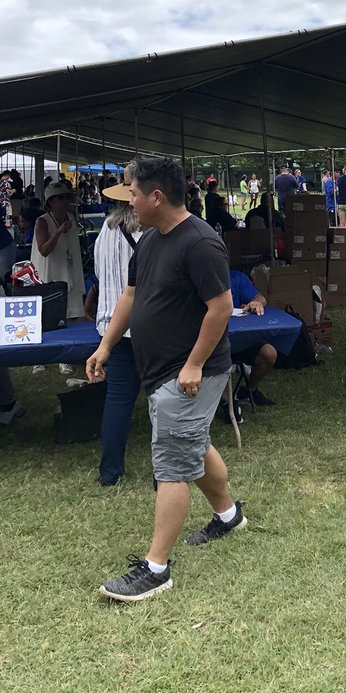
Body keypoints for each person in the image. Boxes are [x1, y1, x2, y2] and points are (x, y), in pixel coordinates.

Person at [86, 156, 244, 602]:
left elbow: (221, 307)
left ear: (156, 196)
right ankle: (229, 515)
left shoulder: (201, 243)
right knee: (191, 442)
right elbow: (131, 296)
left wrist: (193, 364)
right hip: (159, 370)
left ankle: (156, 569)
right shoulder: (151, 239)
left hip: (191, 372)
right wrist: (105, 346)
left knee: (172, 463)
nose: (129, 200)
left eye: (133, 193)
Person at [81, 164, 144, 486]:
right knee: (162, 398)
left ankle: (110, 472)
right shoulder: (147, 230)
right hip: (145, 326)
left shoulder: (106, 228)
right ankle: (167, 472)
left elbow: (99, 275)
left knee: (118, 400)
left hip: (110, 326)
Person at [30, 180, 85, 376]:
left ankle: (64, 358)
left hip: (66, 270)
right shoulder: (42, 221)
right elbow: (44, 250)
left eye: (66, 197)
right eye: (60, 197)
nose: (65, 201)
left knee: (67, 316)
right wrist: (60, 231)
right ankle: (38, 358)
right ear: (51, 201)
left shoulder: (70, 217)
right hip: (48, 272)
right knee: (45, 317)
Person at [228, 268, 277, 411]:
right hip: (210, 341)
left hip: (238, 338)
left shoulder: (236, 277)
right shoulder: (197, 278)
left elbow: (261, 298)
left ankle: (249, 391)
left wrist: (255, 303)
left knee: (269, 353)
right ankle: (223, 402)